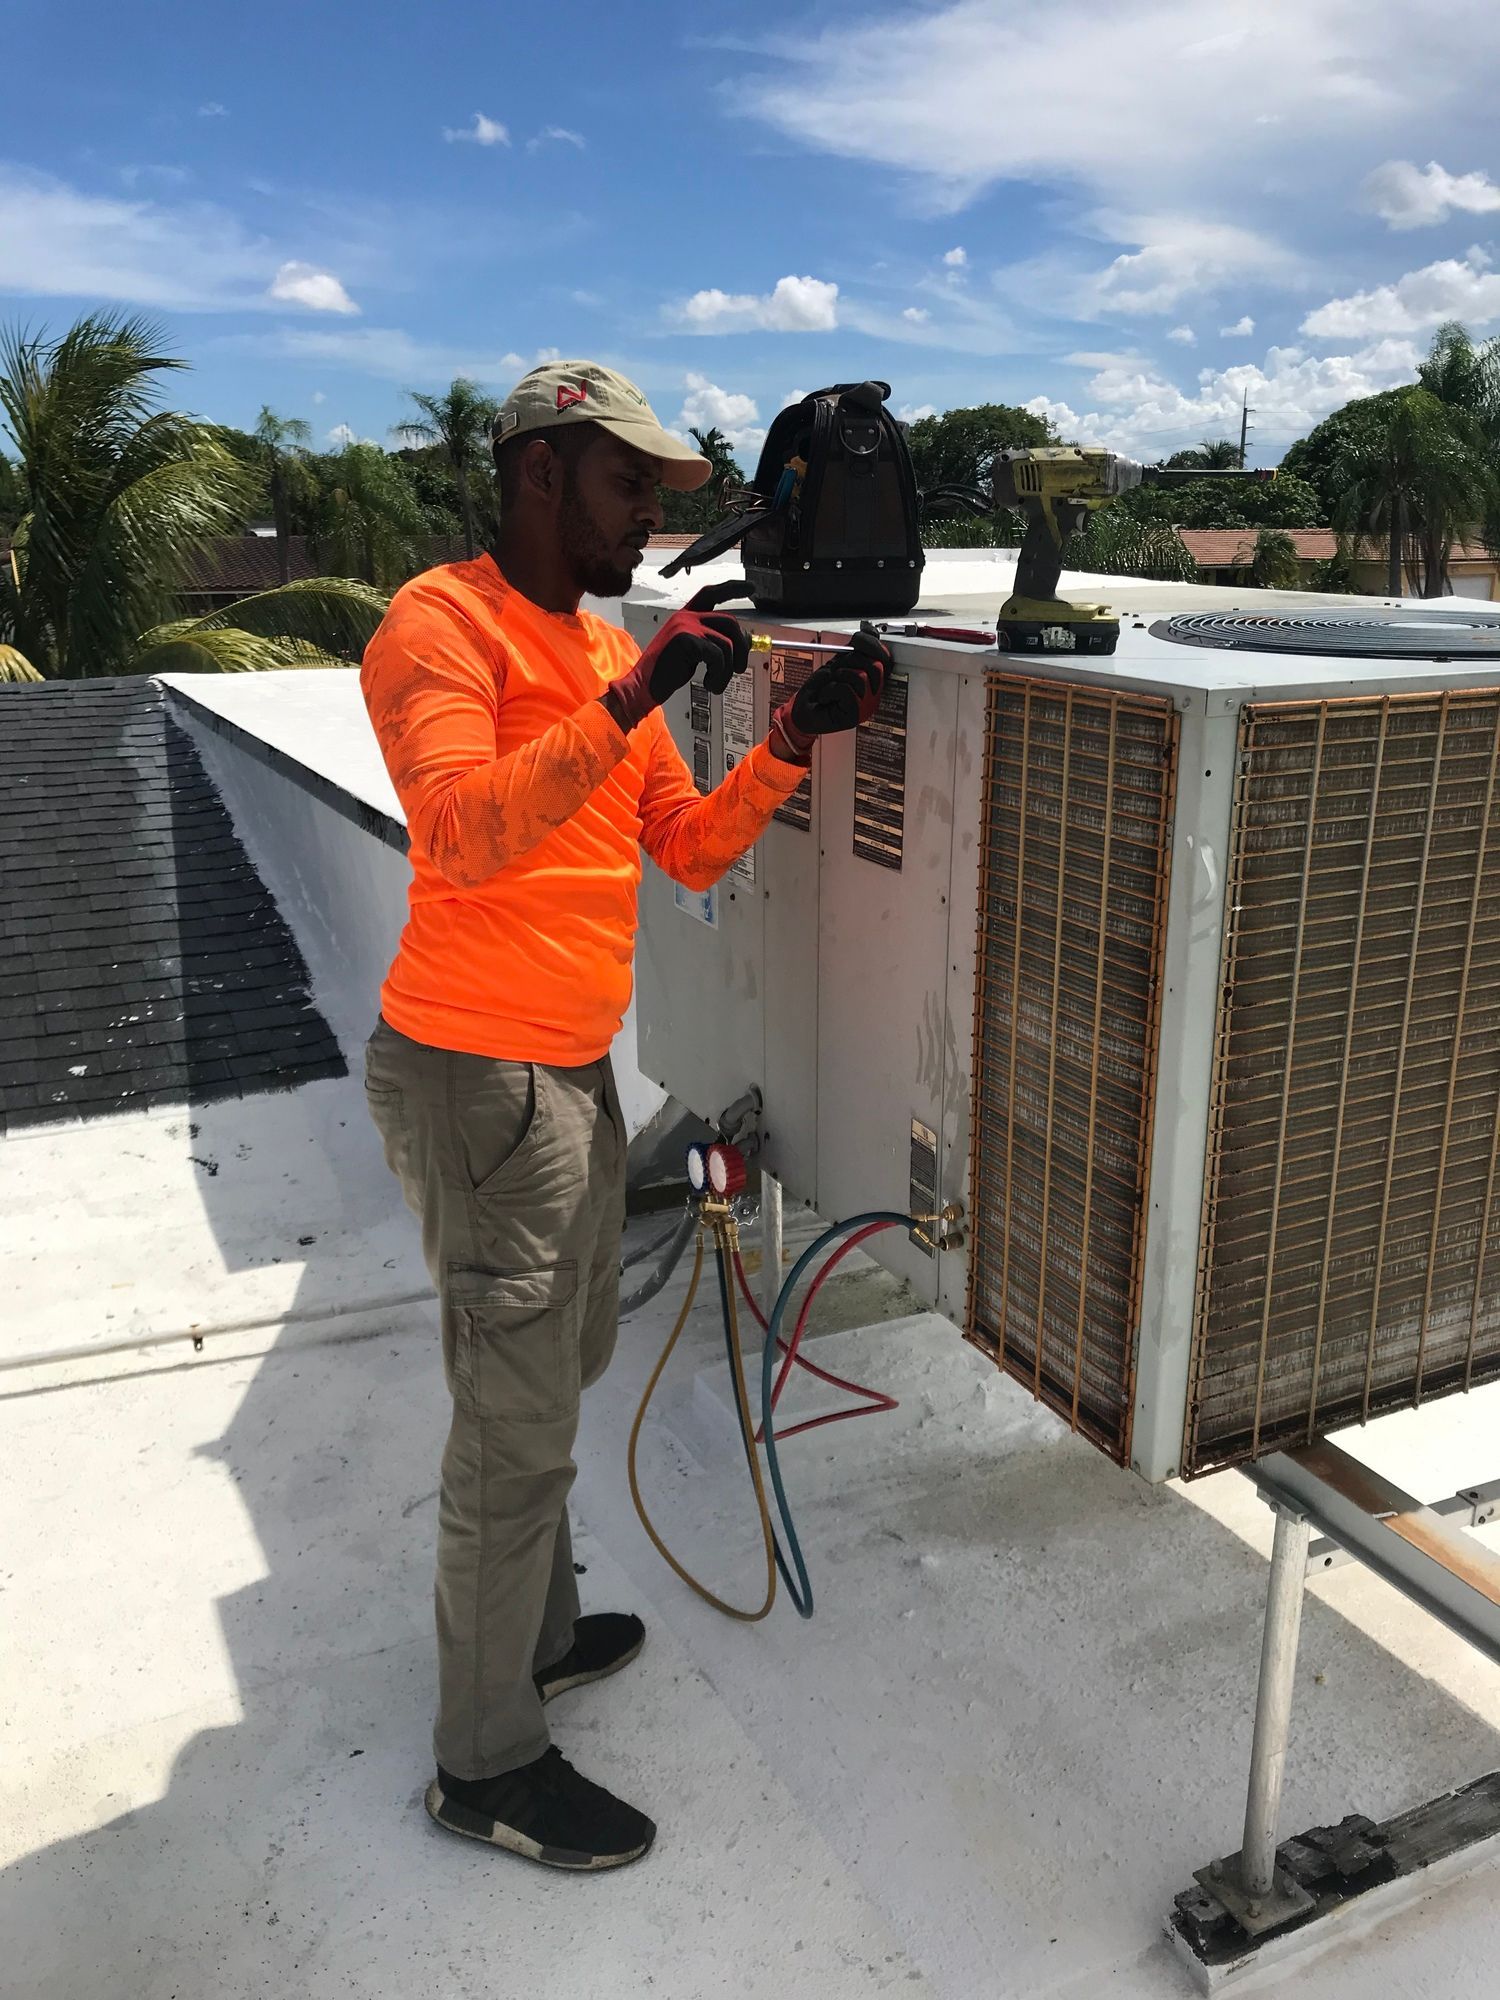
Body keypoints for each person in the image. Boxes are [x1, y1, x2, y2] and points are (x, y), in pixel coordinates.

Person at [359, 359, 890, 1872]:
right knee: (511, 1426)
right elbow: (462, 835)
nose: (654, 516)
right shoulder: (437, 628)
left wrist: (796, 741)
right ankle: (485, 1761)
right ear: (539, 474)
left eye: (659, 494)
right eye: (627, 487)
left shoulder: (597, 644)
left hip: (570, 1073)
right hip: (475, 1072)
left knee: (557, 1371)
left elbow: (687, 847)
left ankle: (533, 1638)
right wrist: (641, 687)